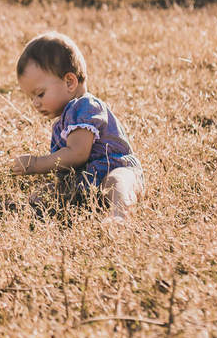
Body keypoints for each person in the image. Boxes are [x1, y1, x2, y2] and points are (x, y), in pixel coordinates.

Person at [10, 31, 143, 220]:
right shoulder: (63, 121)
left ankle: (120, 215)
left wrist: (35, 164)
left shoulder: (85, 107)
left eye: (40, 94)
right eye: (30, 98)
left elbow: (77, 154)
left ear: (69, 82)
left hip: (114, 170)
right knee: (48, 192)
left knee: (117, 181)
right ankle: (28, 209)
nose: (35, 103)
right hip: (86, 184)